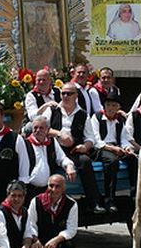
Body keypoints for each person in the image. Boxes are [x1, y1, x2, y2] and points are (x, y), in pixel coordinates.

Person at [44, 82, 103, 211]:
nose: (65, 96)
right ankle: (46, 201)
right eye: (63, 93)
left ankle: (94, 202)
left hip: (73, 149)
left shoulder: (83, 114)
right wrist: (60, 134)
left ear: (76, 95)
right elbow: (43, 129)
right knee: (45, 165)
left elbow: (90, 138)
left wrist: (84, 147)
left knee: (85, 161)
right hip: (54, 148)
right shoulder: (53, 110)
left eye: (69, 93)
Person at [25, 174, 78, 248]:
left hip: (58, 240)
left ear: (64, 188)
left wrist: (56, 240)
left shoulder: (71, 204)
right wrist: (35, 240)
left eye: (57, 186)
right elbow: (30, 224)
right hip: (41, 239)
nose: (53, 189)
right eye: (51, 185)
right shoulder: (36, 201)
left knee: (69, 245)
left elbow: (72, 229)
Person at [91, 93, 135, 213]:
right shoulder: (97, 117)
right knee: (112, 161)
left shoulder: (120, 120)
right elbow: (96, 140)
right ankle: (109, 199)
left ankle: (134, 192)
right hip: (100, 149)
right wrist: (112, 149)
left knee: (134, 159)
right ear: (104, 106)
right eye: (108, 105)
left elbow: (124, 138)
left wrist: (127, 148)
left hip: (116, 147)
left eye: (113, 105)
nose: (110, 108)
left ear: (118, 107)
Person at [25, 115, 76, 201]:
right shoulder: (25, 143)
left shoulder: (52, 142)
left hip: (47, 189)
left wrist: (69, 166)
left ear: (47, 130)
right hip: (29, 189)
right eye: (35, 128)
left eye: (41, 128)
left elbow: (62, 158)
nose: (38, 130)